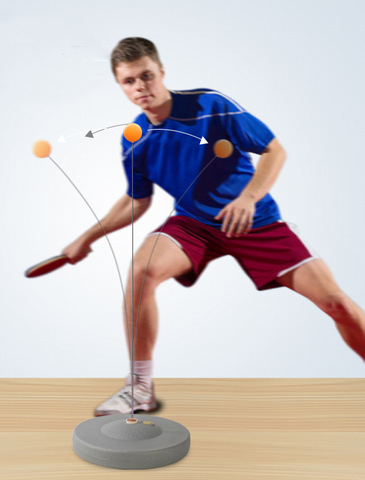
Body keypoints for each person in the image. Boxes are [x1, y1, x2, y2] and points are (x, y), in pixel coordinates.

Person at [62, 37, 365, 417]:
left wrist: (249, 197)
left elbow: (275, 150)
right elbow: (136, 201)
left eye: (147, 76)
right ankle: (139, 389)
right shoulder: (134, 138)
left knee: (336, 304)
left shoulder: (210, 104)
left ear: (162, 72)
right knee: (141, 271)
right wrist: (85, 238)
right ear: (120, 86)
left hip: (255, 221)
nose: (141, 87)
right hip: (193, 224)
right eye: (129, 82)